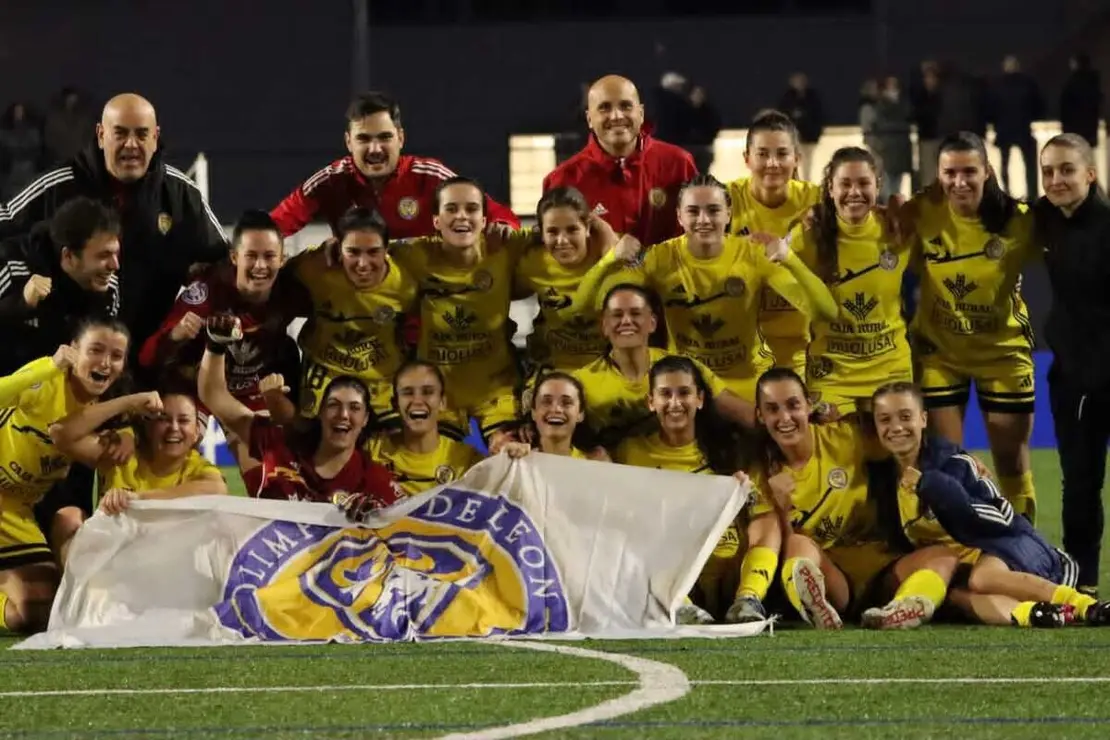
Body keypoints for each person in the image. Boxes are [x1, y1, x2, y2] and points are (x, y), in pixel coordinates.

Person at [0, 93, 228, 358]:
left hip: (151, 357)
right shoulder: (57, 186)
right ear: (100, 135)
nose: (131, 144)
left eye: (142, 134)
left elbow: (224, 264)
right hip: (64, 357)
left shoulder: (181, 195)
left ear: (155, 137)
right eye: (120, 133)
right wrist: (21, 300)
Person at [868, 382, 1110, 627]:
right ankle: (1037, 614)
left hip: (1013, 549)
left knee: (982, 579)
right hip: (958, 569)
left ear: (923, 419)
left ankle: (1086, 606)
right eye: (885, 420)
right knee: (958, 597)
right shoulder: (883, 480)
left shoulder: (957, 464)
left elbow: (1003, 519)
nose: (896, 427)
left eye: (905, 417)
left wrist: (931, 484)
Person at [577, 174, 836, 403]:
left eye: (713, 210)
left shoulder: (752, 255)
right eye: (693, 211)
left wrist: (790, 259)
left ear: (728, 214)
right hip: (686, 386)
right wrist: (610, 260)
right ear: (679, 216)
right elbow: (585, 305)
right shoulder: (659, 259)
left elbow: (824, 312)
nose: (704, 220)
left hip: (747, 384)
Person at [896, 132, 1038, 522]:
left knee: (1011, 460)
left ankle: (1024, 551)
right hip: (942, 355)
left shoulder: (1019, 220)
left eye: (969, 172)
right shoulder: (921, 212)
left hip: (1003, 354)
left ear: (988, 172)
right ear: (938, 175)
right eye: (950, 172)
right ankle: (960, 552)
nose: (960, 181)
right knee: (947, 461)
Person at [739, 368, 924, 630]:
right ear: (760, 415)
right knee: (800, 545)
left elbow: (908, 441)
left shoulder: (845, 436)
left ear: (809, 405)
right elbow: (777, 546)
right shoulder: (762, 475)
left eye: (793, 405)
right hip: (832, 576)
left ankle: (903, 609)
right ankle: (817, 607)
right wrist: (781, 510)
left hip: (883, 565)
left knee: (941, 557)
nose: (785, 418)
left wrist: (958, 459)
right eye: (772, 409)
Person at [0, 317, 131, 633]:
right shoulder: (44, 381)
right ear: (73, 350)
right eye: (95, 350)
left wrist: (119, 475)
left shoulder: (109, 408)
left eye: (116, 356)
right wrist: (48, 364)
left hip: (15, 508)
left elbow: (116, 462)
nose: (105, 362)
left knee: (37, 612)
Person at [197, 316, 401, 512]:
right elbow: (215, 396)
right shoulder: (281, 444)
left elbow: (407, 532)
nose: (343, 414)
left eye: (354, 408)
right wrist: (215, 345)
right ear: (320, 413)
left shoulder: (376, 480)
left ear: (365, 419)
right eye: (333, 405)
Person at [613, 355, 753, 621]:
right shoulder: (629, 452)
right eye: (665, 394)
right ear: (650, 402)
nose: (675, 403)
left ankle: (748, 599)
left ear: (700, 399)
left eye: (684, 393)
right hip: (669, 574)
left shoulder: (730, 449)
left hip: (729, 573)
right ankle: (682, 605)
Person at [270, 91, 518, 239]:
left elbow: (497, 214)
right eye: (364, 139)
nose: (375, 149)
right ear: (348, 142)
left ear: (400, 138)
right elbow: (277, 223)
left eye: (384, 137)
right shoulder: (330, 180)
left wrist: (504, 227)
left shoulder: (430, 176)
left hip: (423, 302)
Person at [1033, 133, 1110, 595]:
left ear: (1091, 174)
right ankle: (1082, 588)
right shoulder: (1044, 217)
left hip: (1106, 375)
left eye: (1066, 170)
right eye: (1048, 171)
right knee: (1078, 488)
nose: (1056, 180)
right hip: (1073, 381)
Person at [391, 177, 523, 445]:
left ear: (485, 221)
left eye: (472, 209)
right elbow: (364, 248)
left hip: (496, 391)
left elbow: (565, 232)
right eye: (451, 209)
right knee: (439, 468)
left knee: (510, 456)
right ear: (436, 221)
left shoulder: (506, 247)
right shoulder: (413, 254)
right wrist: (329, 248)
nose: (462, 216)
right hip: (439, 394)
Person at [785, 147, 913, 415]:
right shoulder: (807, 236)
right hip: (831, 373)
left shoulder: (898, 228)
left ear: (877, 186)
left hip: (891, 367)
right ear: (830, 189)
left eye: (864, 183)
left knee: (896, 453)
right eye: (845, 184)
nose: (854, 192)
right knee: (834, 455)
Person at [139, 210, 300, 420]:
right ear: (234, 257)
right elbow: (146, 357)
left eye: (269, 256)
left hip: (251, 392)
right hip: (198, 391)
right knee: (178, 430)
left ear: (282, 260)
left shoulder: (294, 291)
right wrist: (174, 336)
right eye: (251, 256)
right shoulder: (206, 293)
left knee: (266, 445)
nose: (260, 265)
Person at [571, 284, 751, 449]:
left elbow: (745, 415)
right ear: (604, 325)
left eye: (635, 314)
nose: (626, 321)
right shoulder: (581, 383)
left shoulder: (685, 369)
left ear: (652, 323)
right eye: (617, 315)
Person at [283, 206, 416, 427]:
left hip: (381, 381)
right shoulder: (315, 268)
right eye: (353, 252)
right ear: (338, 248)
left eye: (373, 252)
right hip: (325, 373)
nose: (363, 264)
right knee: (311, 444)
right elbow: (275, 280)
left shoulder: (406, 284)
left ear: (387, 250)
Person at [543, 75, 697, 247]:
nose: (616, 116)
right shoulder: (562, 181)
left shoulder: (679, 164)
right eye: (604, 108)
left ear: (641, 113)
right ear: (589, 119)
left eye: (626, 106)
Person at [727, 111, 823, 377]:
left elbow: (867, 212)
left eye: (782, 154)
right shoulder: (722, 200)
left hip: (804, 349)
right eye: (762, 154)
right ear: (747, 158)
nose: (772, 163)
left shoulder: (818, 201)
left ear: (797, 158)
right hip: (740, 348)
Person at [50, 389, 227, 514]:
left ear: (197, 432)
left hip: (165, 559)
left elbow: (217, 489)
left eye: (183, 421)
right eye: (163, 419)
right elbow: (61, 435)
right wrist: (128, 403)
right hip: (113, 556)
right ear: (148, 427)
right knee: (67, 518)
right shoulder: (121, 452)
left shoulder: (197, 466)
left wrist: (136, 499)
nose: (174, 428)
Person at [0, 196, 121, 376]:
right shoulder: (11, 269)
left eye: (116, 253)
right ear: (69, 257)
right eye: (103, 255)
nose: (115, 265)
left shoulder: (108, 288)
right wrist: (21, 304)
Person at [513, 187, 617, 389]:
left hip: (607, 370)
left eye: (572, 229)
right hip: (553, 373)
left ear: (587, 227)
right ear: (541, 233)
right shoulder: (533, 263)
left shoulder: (613, 252)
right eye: (552, 231)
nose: (562, 241)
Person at [367, 360, 483, 496]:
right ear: (395, 404)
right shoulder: (372, 451)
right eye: (408, 392)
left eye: (428, 392)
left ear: (442, 402)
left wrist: (513, 456)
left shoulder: (467, 461)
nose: (417, 401)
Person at [520, 372, 607, 460]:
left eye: (566, 403)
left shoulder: (596, 465)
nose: (556, 409)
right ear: (533, 412)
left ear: (580, 414)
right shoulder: (518, 461)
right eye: (547, 401)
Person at [989, 56, 1043, 199]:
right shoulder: (1027, 83)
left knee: (1004, 164)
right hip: (1023, 128)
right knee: (1029, 165)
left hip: (1004, 130)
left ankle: (1006, 193)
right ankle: (1032, 195)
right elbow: (1037, 104)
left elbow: (991, 108)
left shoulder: (997, 85)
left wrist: (995, 124)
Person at [777, 73, 824, 182]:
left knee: (806, 161)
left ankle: (805, 183)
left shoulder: (810, 98)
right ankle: (797, 183)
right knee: (796, 161)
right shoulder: (789, 98)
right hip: (796, 136)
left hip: (808, 136)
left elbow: (818, 116)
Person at [873, 77, 913, 202]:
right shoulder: (881, 105)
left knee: (897, 182)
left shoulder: (903, 104)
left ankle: (895, 207)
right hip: (889, 149)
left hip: (899, 149)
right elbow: (882, 124)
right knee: (888, 182)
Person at [0, 102, 42, 199]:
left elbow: (36, 150)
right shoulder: (4, 132)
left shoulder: (32, 131)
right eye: (17, 111)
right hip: (10, 173)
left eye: (21, 111)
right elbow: (4, 151)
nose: (19, 113)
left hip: (28, 171)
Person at [1060, 53, 1102, 148]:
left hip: (1076, 128)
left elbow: (1066, 106)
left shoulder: (1073, 83)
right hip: (1089, 129)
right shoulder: (1093, 82)